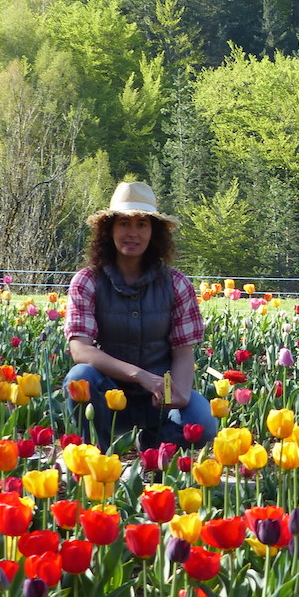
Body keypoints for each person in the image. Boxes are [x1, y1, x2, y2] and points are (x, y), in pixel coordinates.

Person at [63, 181, 217, 449]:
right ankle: (95, 454)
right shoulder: (87, 281)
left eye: (142, 224)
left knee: (202, 421)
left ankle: (152, 446)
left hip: (158, 395)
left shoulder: (176, 284)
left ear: (153, 232)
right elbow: (80, 350)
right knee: (80, 376)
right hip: (108, 393)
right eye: (123, 223)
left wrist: (178, 394)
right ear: (108, 230)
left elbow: (183, 353)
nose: (132, 233)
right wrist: (138, 375)